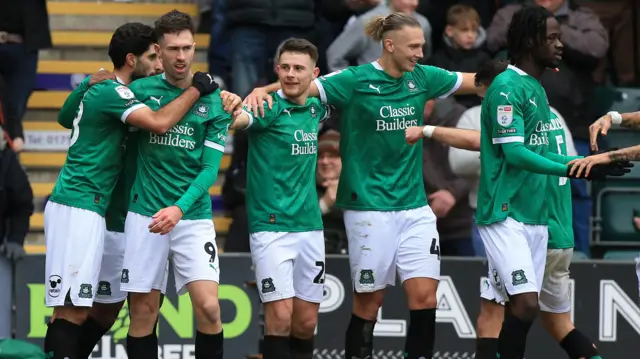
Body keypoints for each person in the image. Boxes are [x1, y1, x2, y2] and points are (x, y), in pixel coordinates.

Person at [245, 12, 483, 359]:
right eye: (413, 46)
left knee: (425, 299)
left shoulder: (423, 77)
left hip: (415, 208)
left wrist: (515, 75)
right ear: (390, 45)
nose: (420, 53)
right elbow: (296, 86)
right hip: (368, 208)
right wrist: (260, 89)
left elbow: (476, 81)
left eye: (421, 46)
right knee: (371, 302)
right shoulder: (353, 80)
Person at [42, 22, 223, 359]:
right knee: (72, 308)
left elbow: (68, 117)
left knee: (105, 309)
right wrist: (198, 88)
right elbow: (158, 122)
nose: (160, 63)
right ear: (132, 59)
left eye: (178, 51)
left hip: (110, 211)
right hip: (83, 204)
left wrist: (87, 84)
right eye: (155, 56)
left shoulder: (120, 91)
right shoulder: (117, 92)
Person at [468, 6, 628, 358]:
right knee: (524, 305)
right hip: (504, 214)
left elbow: (540, 150)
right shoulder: (506, 88)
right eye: (552, 38)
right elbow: (515, 154)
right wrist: (573, 169)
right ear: (528, 41)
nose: (561, 45)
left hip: (536, 215)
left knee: (515, 309)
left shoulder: (536, 89)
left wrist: (587, 163)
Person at [119, 11, 243, 359]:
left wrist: (179, 208)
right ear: (157, 51)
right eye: (172, 48)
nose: (181, 56)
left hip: (191, 215)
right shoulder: (139, 92)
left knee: (209, 308)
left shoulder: (216, 101)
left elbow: (209, 171)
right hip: (145, 215)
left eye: (187, 48)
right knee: (143, 314)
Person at [227, 37, 331, 359]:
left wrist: (267, 86)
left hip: (310, 227)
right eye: (284, 67)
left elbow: (340, 82)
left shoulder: (318, 106)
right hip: (270, 227)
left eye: (298, 68)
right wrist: (240, 103)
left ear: (314, 73)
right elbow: (239, 120)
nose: (290, 74)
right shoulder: (267, 107)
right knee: (280, 317)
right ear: (276, 68)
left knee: (305, 322)